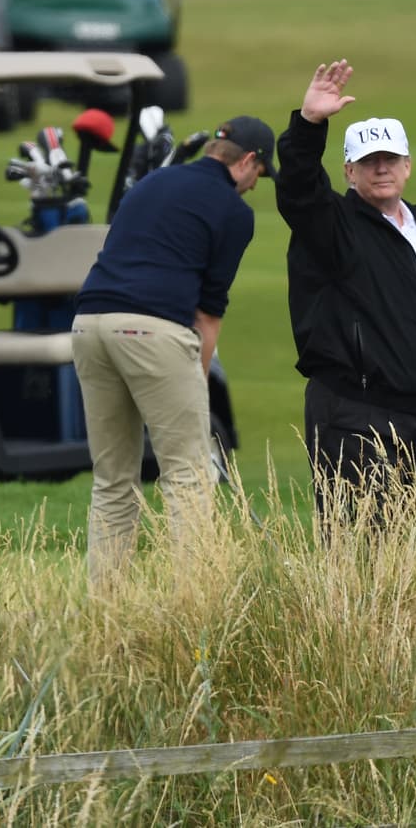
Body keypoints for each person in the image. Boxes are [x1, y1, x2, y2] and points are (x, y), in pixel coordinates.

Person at [71, 114, 276, 589]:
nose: (253, 187)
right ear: (247, 161)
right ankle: (193, 603)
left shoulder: (152, 183)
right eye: (258, 176)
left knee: (112, 480)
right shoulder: (233, 212)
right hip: (153, 331)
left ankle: (107, 608)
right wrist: (195, 381)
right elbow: (207, 314)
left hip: (89, 326)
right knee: (189, 475)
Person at [275, 60, 416, 521]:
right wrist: (308, 126)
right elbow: (299, 190)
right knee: (358, 547)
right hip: (355, 414)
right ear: (349, 171)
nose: (380, 168)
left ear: (407, 166)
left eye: (389, 159)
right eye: (368, 162)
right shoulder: (331, 227)